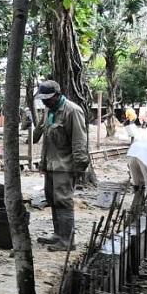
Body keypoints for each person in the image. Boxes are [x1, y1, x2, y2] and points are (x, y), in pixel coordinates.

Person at [32, 80, 89, 251]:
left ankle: (67, 240)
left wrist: (79, 167)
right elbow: (43, 139)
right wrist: (42, 163)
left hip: (65, 166)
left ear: (57, 95)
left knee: (63, 201)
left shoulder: (72, 111)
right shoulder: (49, 110)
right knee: (52, 200)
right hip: (51, 165)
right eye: (42, 99)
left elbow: (79, 141)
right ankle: (58, 234)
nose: (44, 102)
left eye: (47, 98)